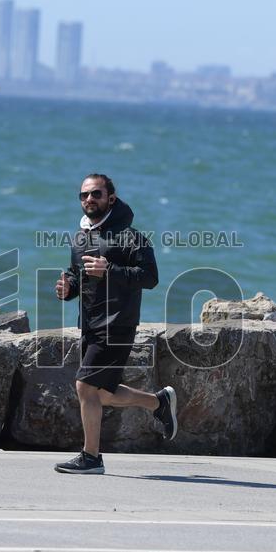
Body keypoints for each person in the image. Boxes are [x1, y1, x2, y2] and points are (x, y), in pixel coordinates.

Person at [53, 173, 177, 475]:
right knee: (102, 393)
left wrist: (111, 270)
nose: (88, 200)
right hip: (91, 323)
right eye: (83, 195)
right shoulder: (81, 237)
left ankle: (91, 457)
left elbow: (150, 277)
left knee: (85, 387)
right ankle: (157, 403)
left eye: (95, 194)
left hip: (118, 323)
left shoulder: (131, 237)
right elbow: (78, 274)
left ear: (111, 197)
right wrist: (69, 287)